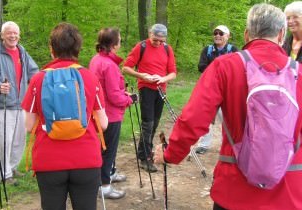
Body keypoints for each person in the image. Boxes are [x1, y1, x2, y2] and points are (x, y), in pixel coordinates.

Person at [154, 3, 302, 209]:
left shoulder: (225, 66)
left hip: (235, 189)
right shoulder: (299, 73)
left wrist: (171, 154)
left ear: (246, 34)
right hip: (289, 191)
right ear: (282, 34)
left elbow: (194, 120)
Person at [22, 22, 108, 210]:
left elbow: (28, 126)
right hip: (86, 158)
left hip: (48, 159)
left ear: (51, 49)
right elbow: (103, 122)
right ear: (78, 48)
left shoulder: (38, 79)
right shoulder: (89, 77)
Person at [0, 21, 39, 185]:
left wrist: (40, 82)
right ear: (2, 35)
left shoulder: (22, 51)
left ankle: (12, 167)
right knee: (4, 140)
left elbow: (34, 71)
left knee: (18, 140)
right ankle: (4, 175)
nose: (13, 36)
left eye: (15, 33)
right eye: (9, 33)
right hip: (3, 105)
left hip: (21, 104)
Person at [122, 23, 177, 172]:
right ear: (149, 34)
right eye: (155, 40)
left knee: (155, 123)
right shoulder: (142, 47)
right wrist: (142, 75)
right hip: (146, 88)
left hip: (161, 89)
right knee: (148, 123)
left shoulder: (167, 49)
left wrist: (163, 79)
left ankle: (145, 152)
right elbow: (126, 67)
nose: (158, 43)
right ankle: (145, 158)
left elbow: (173, 72)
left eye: (161, 40)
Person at [89, 27, 135, 199]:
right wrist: (130, 99)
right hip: (110, 114)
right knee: (108, 150)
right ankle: (104, 186)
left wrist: (124, 95)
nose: (120, 42)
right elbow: (115, 96)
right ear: (114, 45)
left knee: (105, 148)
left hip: (99, 111)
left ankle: (110, 173)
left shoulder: (96, 59)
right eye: (119, 40)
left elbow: (110, 90)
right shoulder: (109, 65)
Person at [195, 25, 238, 155]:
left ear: (227, 36)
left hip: (228, 89)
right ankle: (204, 144)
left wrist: (216, 69)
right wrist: (219, 69)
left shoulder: (233, 50)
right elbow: (201, 66)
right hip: (210, 88)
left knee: (228, 118)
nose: (217, 35)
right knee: (207, 117)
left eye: (221, 33)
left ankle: (229, 144)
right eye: (215, 33)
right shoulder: (207, 50)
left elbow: (239, 67)